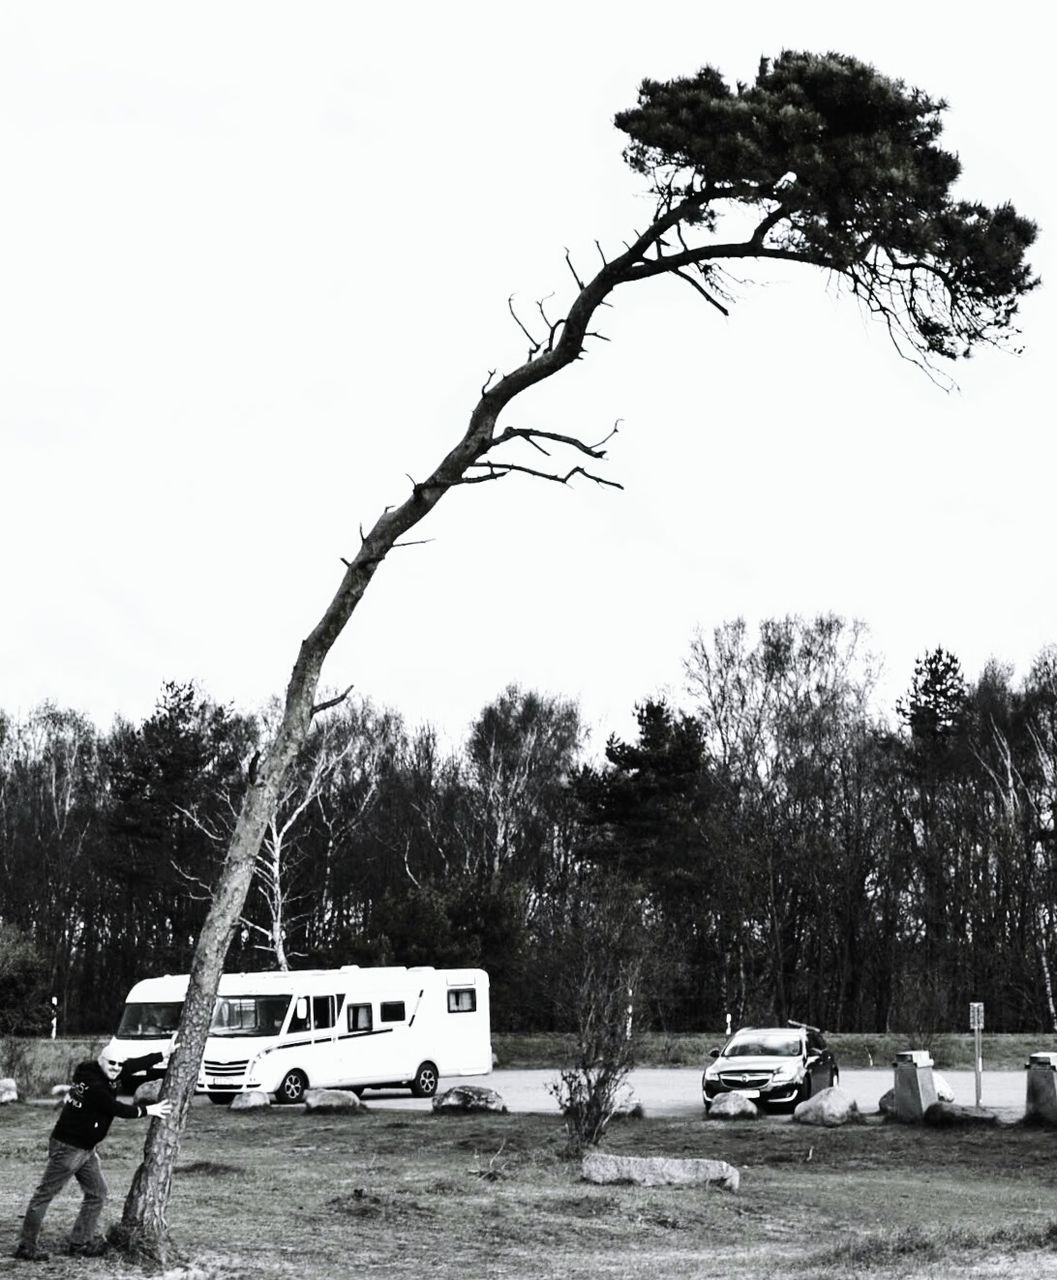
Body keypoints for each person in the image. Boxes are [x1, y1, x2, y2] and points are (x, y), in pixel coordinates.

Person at [14, 1048, 173, 1262]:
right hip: (69, 1148)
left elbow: (131, 1066)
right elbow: (117, 1108)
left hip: (85, 1148)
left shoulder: (98, 1072)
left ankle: (79, 1243)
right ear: (101, 1062)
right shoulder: (96, 1086)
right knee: (44, 1195)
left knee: (97, 1193)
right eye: (112, 1064)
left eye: (119, 1064)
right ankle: (26, 1247)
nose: (116, 1068)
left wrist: (164, 1053)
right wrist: (148, 1111)